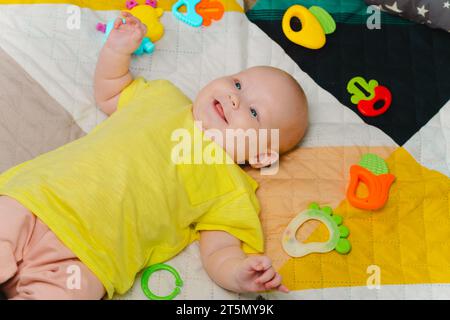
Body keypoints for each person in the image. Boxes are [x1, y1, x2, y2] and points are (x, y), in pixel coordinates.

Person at [0, 12, 308, 299]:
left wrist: (239, 274)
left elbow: (220, 251)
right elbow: (111, 92)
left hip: (90, 257)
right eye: (238, 84)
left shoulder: (232, 190)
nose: (234, 98)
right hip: (37, 199)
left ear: (262, 156)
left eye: (254, 112)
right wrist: (117, 51)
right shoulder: (163, 96)